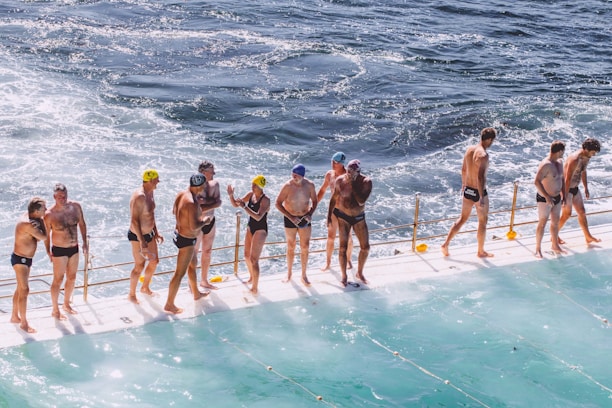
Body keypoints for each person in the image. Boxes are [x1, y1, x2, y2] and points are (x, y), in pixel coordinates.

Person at [441, 127, 496, 258]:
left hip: (467, 190)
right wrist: (482, 196)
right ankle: (480, 251)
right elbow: (481, 177)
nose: (492, 142)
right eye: (492, 140)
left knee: (462, 219)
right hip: (478, 192)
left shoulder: (469, 150)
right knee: (483, 222)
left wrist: (464, 185)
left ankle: (445, 244)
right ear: (488, 139)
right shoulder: (483, 155)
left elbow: (464, 169)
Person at [164, 174, 212, 314]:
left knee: (193, 263)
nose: (205, 187)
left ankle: (196, 293)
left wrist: (184, 220)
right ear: (200, 185)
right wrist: (206, 220)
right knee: (179, 273)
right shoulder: (191, 202)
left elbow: (175, 211)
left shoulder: (182, 194)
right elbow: (194, 226)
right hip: (186, 240)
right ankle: (169, 304)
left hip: (179, 234)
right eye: (204, 185)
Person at [44, 183, 88, 320]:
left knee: (72, 277)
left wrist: (85, 243)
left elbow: (82, 224)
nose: (62, 198)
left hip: (74, 248)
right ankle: (55, 310)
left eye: (64, 196)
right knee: (58, 279)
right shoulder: (49, 214)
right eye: (59, 197)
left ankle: (66, 304)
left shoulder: (76, 207)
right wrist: (48, 251)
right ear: (54, 197)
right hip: (59, 250)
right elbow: (46, 235)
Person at [328, 159, 372, 287]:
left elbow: (361, 201)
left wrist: (352, 184)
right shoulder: (340, 180)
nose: (348, 174)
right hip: (343, 217)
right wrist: (328, 216)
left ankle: (360, 272)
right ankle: (344, 276)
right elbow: (334, 197)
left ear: (358, 172)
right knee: (343, 247)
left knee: (365, 247)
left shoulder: (366, 182)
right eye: (347, 171)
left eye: (352, 172)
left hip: (359, 217)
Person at [275, 164, 318, 286]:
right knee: (291, 246)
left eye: (296, 175)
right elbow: (278, 203)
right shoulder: (288, 186)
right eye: (292, 174)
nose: (293, 177)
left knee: (305, 246)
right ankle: (289, 273)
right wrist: (291, 217)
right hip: (290, 218)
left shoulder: (310, 185)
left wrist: (310, 214)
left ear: (302, 176)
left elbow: (314, 201)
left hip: (305, 218)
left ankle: (304, 275)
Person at [227, 175, 270, 295]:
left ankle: (255, 287)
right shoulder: (250, 194)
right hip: (251, 226)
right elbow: (236, 204)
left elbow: (258, 216)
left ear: (260, 187)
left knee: (254, 259)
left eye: (254, 185)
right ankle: (251, 277)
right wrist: (231, 195)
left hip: (260, 229)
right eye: (252, 184)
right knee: (246, 255)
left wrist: (244, 207)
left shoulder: (266, 200)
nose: (252, 186)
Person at [10, 198, 47, 333]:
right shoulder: (28, 224)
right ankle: (24, 323)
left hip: (25, 259)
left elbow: (37, 237)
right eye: (44, 209)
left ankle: (15, 316)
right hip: (21, 260)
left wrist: (40, 221)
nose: (46, 211)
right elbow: (43, 237)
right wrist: (43, 221)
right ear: (36, 211)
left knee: (20, 288)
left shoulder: (31, 218)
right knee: (25, 290)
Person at [127, 169, 164, 304]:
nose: (158, 183)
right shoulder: (139, 196)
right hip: (138, 236)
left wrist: (156, 231)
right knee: (139, 265)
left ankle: (145, 287)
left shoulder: (150, 192)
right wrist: (142, 242)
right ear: (150, 181)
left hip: (150, 234)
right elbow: (134, 221)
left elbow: (151, 214)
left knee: (154, 261)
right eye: (156, 180)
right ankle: (131, 294)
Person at [559, 138, 602, 244]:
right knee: (566, 214)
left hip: (575, 188)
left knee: (582, 212)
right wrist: (564, 196)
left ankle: (588, 237)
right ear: (586, 149)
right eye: (593, 152)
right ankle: (554, 235)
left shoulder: (586, 157)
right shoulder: (575, 159)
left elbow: (583, 171)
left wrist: (586, 187)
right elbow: (567, 179)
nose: (594, 155)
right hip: (566, 189)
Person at [317, 151, 353, 271]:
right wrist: (314, 204)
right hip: (334, 210)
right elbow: (322, 190)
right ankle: (328, 263)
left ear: (342, 164)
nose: (333, 164)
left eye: (336, 162)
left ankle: (348, 261)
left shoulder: (348, 176)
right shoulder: (329, 175)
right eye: (332, 161)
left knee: (347, 237)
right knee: (330, 237)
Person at [534, 140, 566, 258]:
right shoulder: (546, 164)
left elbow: (562, 179)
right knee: (542, 223)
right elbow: (536, 182)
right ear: (559, 151)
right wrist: (547, 197)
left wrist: (564, 195)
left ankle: (555, 245)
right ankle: (538, 248)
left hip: (557, 197)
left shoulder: (560, 162)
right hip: (544, 198)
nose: (564, 153)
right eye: (563, 151)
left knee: (555, 222)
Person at [195, 161, 222, 290]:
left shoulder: (215, 184)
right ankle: (192, 282)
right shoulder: (196, 186)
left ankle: (204, 280)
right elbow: (197, 207)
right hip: (198, 223)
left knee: (207, 251)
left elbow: (219, 202)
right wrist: (210, 202)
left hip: (211, 221)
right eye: (211, 171)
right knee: (194, 253)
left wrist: (206, 203)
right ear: (203, 172)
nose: (214, 173)